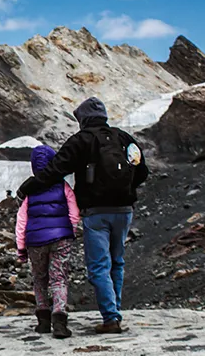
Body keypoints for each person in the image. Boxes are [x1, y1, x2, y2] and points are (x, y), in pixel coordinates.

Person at [18, 97, 148, 334]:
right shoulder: (124, 138)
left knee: (99, 265)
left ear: (83, 119)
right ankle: (114, 311)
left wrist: (28, 187)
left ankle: (111, 318)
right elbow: (142, 170)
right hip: (124, 210)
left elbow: (56, 170)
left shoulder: (81, 140)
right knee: (117, 262)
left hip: (95, 212)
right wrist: (126, 190)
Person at [16, 145, 81, 339]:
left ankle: (43, 320)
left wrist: (21, 248)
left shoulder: (30, 191)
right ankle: (59, 320)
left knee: (39, 278)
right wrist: (70, 231)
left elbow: (21, 221)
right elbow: (74, 212)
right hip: (61, 238)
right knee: (59, 278)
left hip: (35, 241)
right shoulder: (63, 186)